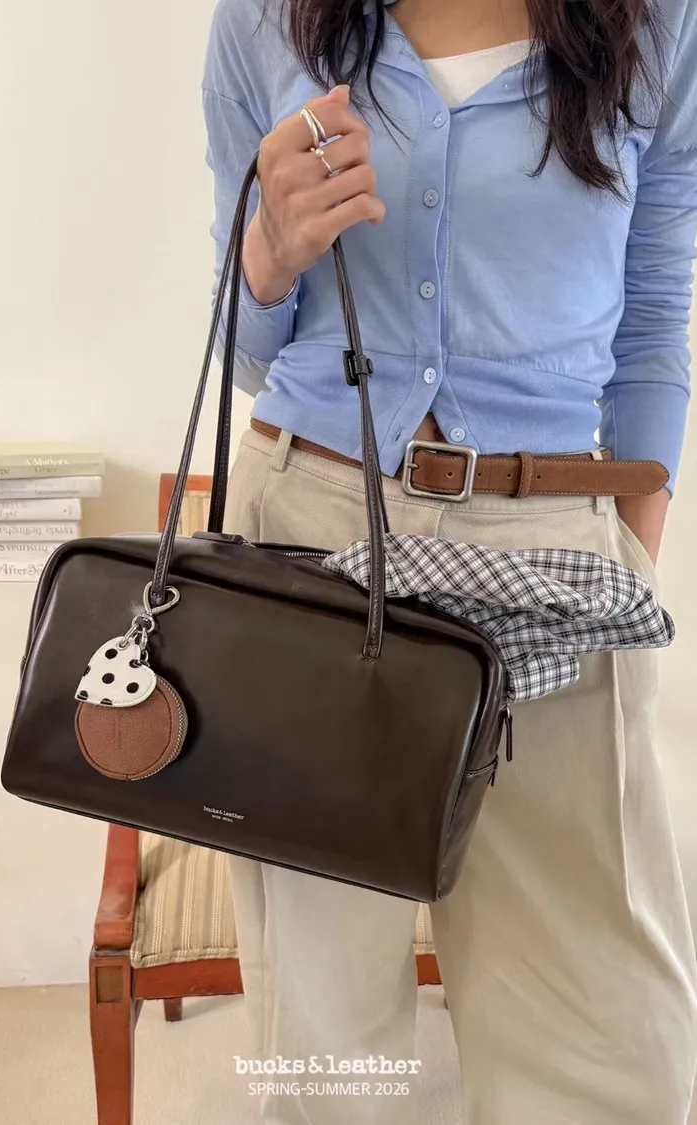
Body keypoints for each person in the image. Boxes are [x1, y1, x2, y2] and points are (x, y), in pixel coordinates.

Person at [202, 0, 697, 1121]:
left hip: (555, 543)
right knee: (327, 1037)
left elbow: (655, 317)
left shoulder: (659, 23)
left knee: (601, 1038)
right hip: (317, 534)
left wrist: (628, 553)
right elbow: (245, 346)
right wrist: (271, 250)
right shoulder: (265, 20)